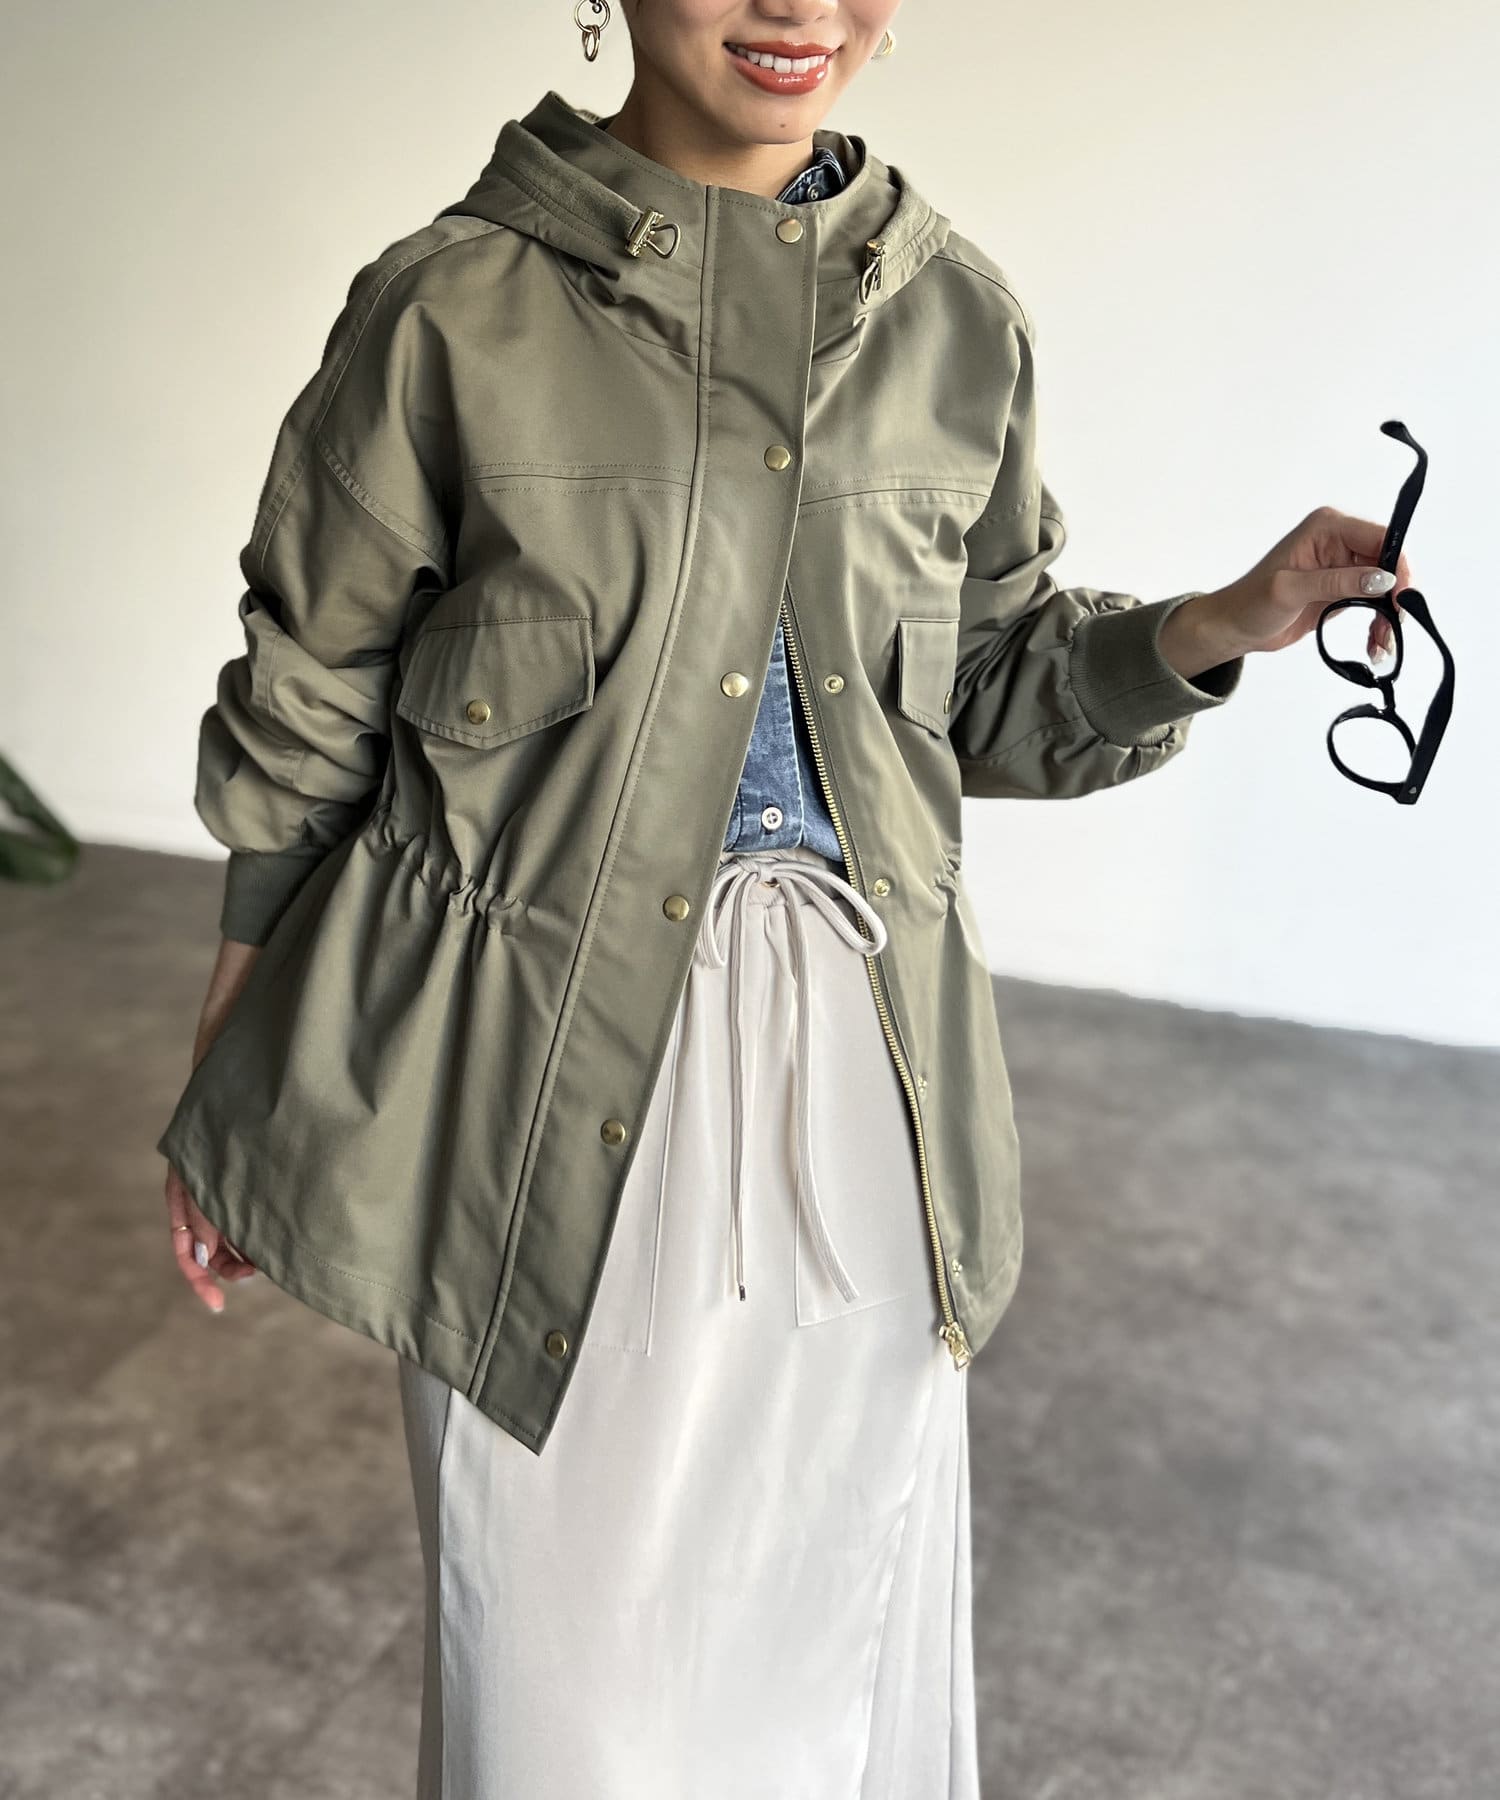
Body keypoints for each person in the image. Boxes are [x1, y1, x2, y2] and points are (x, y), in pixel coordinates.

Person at [159, 4, 1415, 1794]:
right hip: (534, 1081)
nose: (798, 10)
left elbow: (988, 684)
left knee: (829, 1657)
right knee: (560, 1694)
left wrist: (1225, 622)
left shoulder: (956, 317)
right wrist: (236, 1054)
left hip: (866, 1092)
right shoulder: (446, 310)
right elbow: (312, 689)